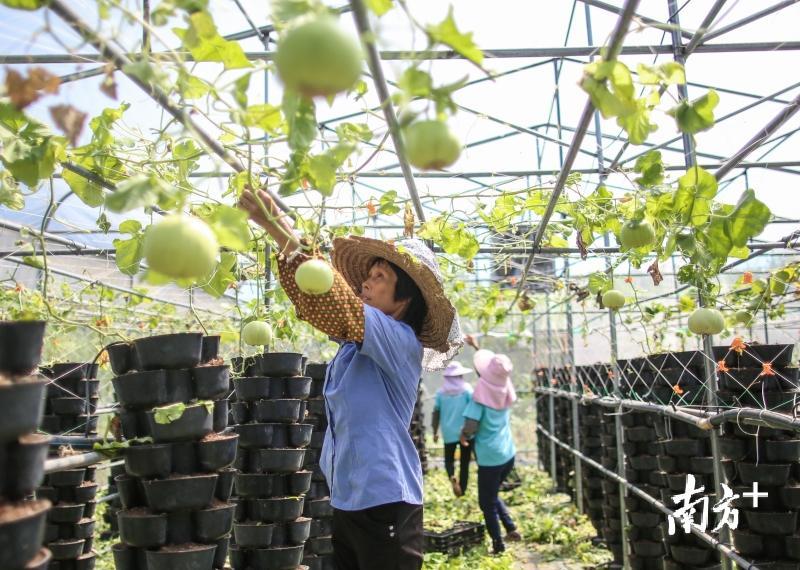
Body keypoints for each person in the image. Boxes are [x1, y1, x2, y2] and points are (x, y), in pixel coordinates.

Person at [239, 188, 462, 570]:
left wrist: (282, 229)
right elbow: (316, 301)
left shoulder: (399, 340)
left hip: (385, 498)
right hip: (348, 495)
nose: (366, 284)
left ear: (404, 300)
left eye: (380, 278)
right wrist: (285, 246)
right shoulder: (352, 345)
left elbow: (339, 303)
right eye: (369, 276)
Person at [460, 346, 521, 554]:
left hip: (490, 458)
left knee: (486, 502)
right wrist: (477, 346)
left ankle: (498, 544)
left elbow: (470, 426)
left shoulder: (480, 396)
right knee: (492, 493)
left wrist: (463, 436)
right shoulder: (504, 385)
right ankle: (511, 528)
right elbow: (497, 370)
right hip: (507, 454)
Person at [432, 361, 474, 497]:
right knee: (464, 461)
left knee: (449, 459)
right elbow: (473, 411)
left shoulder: (440, 393)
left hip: (448, 432)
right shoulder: (467, 391)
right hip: (465, 432)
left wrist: (434, 432)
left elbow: (436, 414)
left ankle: (451, 475)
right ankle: (462, 489)